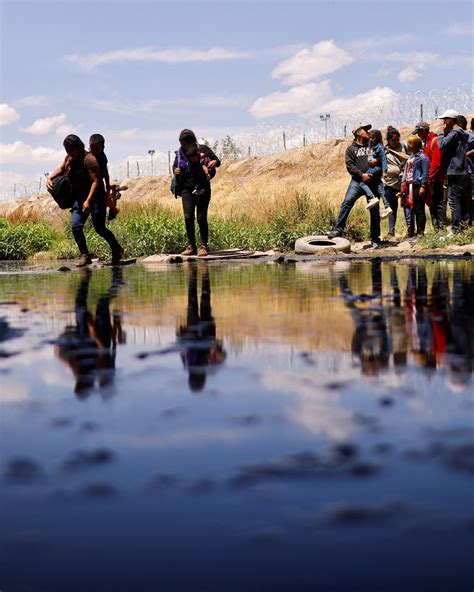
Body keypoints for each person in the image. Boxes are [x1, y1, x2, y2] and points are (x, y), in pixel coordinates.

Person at [47, 135, 124, 267]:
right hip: (79, 197)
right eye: (66, 150)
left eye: (71, 149)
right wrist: (50, 178)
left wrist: (88, 200)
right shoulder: (69, 158)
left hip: (96, 198)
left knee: (99, 228)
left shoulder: (89, 160)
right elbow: (61, 169)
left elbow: (96, 181)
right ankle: (84, 255)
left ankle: (117, 249)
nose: (68, 153)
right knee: (76, 226)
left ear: (79, 147)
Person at [55, 267, 125, 397]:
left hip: (89, 338)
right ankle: (117, 282)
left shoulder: (78, 372)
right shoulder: (102, 371)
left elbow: (62, 357)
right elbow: (106, 348)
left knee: (81, 305)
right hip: (99, 337)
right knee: (101, 303)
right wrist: (112, 324)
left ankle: (85, 279)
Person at [328, 123, 381, 248]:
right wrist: (361, 175)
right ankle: (338, 229)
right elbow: (350, 166)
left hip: (372, 182)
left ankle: (375, 239)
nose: (368, 132)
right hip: (357, 182)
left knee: (374, 210)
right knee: (347, 203)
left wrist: (377, 162)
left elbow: (381, 156)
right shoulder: (350, 150)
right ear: (358, 133)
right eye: (365, 130)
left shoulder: (372, 145)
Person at [177, 263, 226, 392]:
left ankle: (198, 274)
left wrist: (181, 334)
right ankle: (202, 273)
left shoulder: (190, 364)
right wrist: (215, 351)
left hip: (198, 332)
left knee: (199, 300)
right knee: (199, 301)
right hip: (205, 333)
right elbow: (222, 353)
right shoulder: (208, 366)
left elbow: (182, 347)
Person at [172, 129, 220, 257]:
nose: (184, 147)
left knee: (201, 217)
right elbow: (175, 165)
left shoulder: (204, 149)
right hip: (186, 189)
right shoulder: (180, 152)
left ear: (193, 141)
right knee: (188, 217)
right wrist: (175, 170)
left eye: (186, 144)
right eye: (182, 144)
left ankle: (203, 246)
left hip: (203, 188)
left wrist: (214, 162)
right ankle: (191, 246)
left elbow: (217, 161)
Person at [437, 109, 469, 235]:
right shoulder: (458, 133)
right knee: (459, 199)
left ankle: (455, 229)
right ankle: (461, 226)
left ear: (452, 119)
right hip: (459, 169)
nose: (444, 122)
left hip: (455, 170)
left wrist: (441, 134)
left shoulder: (455, 132)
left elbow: (442, 145)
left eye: (446, 119)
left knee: (453, 200)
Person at [359, 129, 392, 218]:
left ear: (377, 139)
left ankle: (372, 197)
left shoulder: (379, 147)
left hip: (376, 169)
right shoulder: (370, 146)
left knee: (362, 182)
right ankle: (387, 206)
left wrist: (384, 171)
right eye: (370, 138)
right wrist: (370, 161)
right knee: (380, 189)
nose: (370, 139)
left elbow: (384, 159)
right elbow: (369, 156)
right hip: (373, 168)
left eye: (373, 138)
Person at [400, 135, 429, 239]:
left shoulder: (423, 158)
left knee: (419, 209)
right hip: (409, 185)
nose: (408, 145)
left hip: (417, 184)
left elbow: (425, 173)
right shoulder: (411, 157)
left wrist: (423, 186)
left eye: (409, 143)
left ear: (414, 145)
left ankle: (421, 233)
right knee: (413, 208)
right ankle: (416, 232)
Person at [384, 126, 408, 237]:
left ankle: (410, 229)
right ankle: (391, 231)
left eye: (397, 139)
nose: (396, 142)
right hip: (389, 183)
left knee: (407, 205)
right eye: (393, 140)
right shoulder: (384, 149)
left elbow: (409, 158)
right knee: (391, 207)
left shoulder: (403, 146)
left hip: (403, 181)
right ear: (388, 140)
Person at [89, 133, 119, 221]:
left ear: (103, 147)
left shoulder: (102, 158)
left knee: (102, 204)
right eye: (91, 147)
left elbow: (105, 173)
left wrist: (108, 185)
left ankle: (111, 211)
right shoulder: (89, 155)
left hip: (99, 184)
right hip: (90, 183)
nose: (93, 150)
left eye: (96, 148)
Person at [456, 115, 472, 227]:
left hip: (466, 171)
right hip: (462, 171)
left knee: (465, 198)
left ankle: (466, 222)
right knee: (462, 198)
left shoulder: (468, 137)